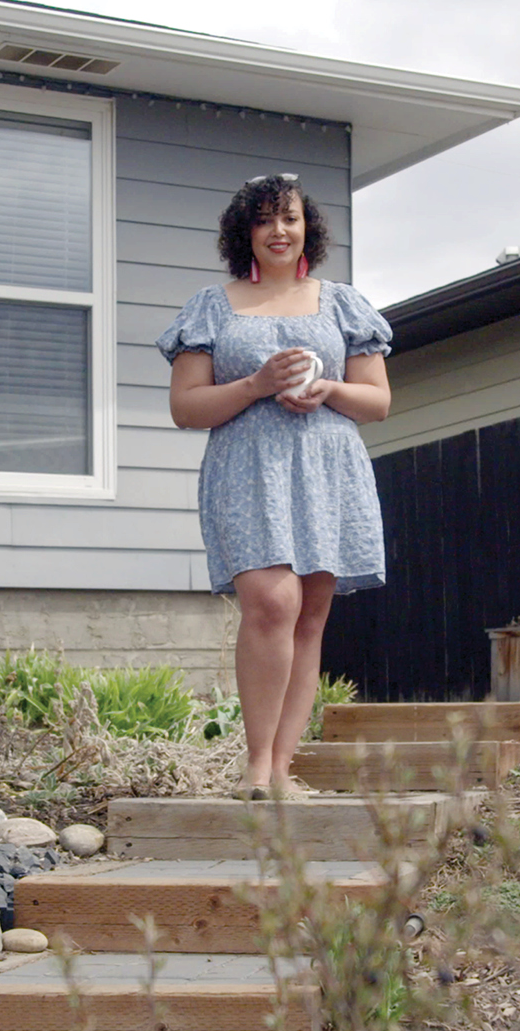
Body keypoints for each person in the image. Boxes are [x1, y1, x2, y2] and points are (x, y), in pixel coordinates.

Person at [155, 173, 391, 798]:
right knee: (271, 602)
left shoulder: (342, 304)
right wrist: (257, 385)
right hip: (246, 470)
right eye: (264, 221)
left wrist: (330, 389)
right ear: (246, 234)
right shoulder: (211, 306)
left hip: (327, 469)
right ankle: (256, 767)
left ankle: (283, 771)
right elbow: (186, 407)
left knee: (309, 617)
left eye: (288, 218)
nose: (279, 231)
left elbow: (378, 401)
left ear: (306, 226)